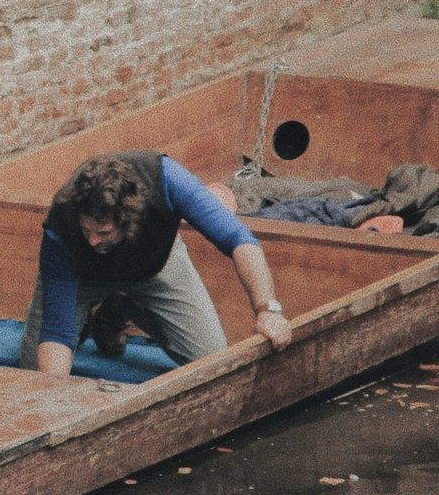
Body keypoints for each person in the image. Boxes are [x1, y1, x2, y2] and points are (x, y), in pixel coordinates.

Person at [19, 149, 294, 374]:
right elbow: (57, 331)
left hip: (154, 264)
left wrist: (267, 309)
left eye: (103, 232)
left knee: (212, 362)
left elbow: (239, 239)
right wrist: (53, 397)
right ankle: (110, 301)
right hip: (83, 276)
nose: (92, 240)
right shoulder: (62, 224)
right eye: (86, 230)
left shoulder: (168, 179)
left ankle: (120, 306)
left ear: (128, 219)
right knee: (35, 373)